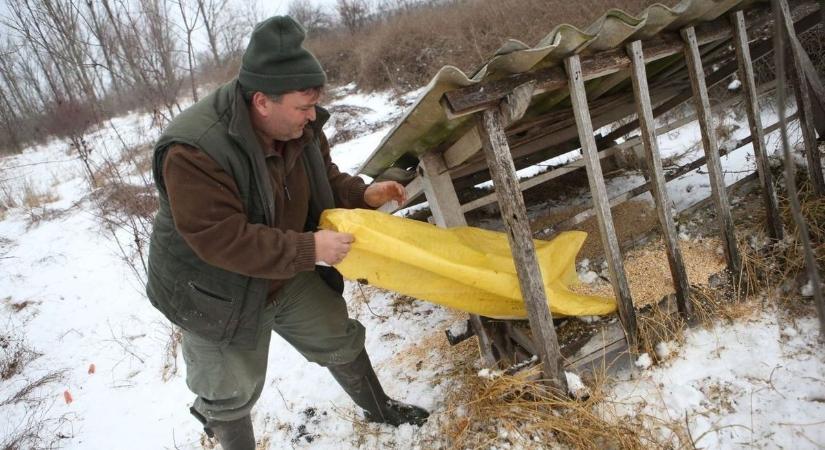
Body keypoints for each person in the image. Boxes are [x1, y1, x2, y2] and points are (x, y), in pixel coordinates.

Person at [145, 16, 429, 449]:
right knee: (228, 391)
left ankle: (381, 409)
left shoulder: (300, 126)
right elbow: (220, 238)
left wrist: (362, 194)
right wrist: (310, 247)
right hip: (214, 290)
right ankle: (224, 429)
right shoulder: (194, 149)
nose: (312, 116)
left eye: (314, 105)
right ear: (262, 101)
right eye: (303, 106)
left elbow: (323, 179)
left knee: (337, 335)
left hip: (284, 267)